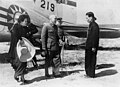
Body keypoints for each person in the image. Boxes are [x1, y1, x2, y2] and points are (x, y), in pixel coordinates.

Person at [9, 14, 30, 84]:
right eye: (25, 21)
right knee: (19, 63)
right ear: (21, 21)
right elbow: (15, 35)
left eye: (27, 21)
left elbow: (30, 34)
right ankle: (17, 75)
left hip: (24, 48)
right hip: (17, 48)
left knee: (24, 62)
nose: (26, 22)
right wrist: (20, 39)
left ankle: (23, 79)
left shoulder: (26, 28)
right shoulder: (16, 27)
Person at [85, 12, 100, 78]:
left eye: (87, 18)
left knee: (92, 60)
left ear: (91, 17)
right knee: (88, 59)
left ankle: (91, 74)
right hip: (89, 46)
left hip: (92, 47)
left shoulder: (95, 26)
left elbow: (95, 37)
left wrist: (93, 46)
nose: (86, 19)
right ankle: (88, 73)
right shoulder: (91, 25)